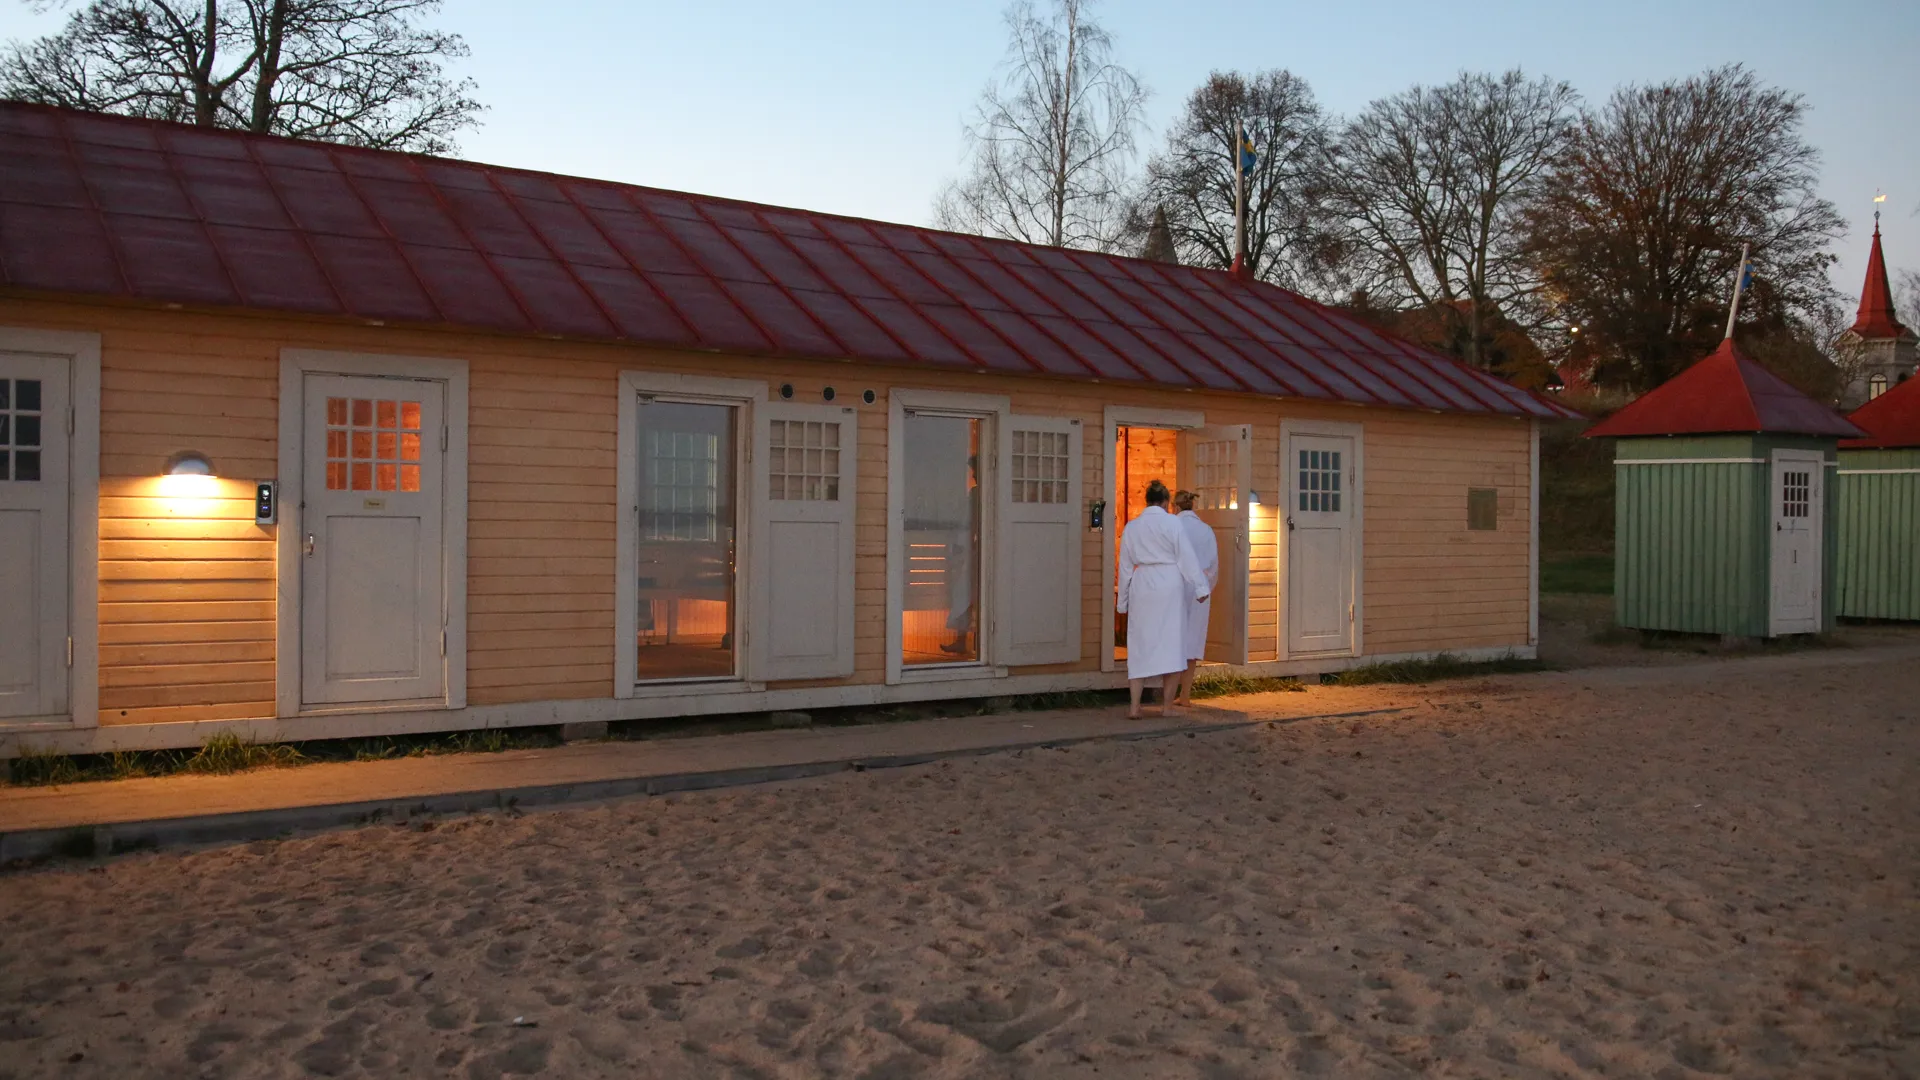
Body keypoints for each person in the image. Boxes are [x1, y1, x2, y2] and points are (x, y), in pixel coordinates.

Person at [1116, 480, 1211, 718]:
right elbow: (1186, 558)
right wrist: (1201, 588)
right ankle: (1167, 706)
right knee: (1173, 643)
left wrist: (1122, 602)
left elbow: (1125, 567)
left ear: (1147, 501)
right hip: (1169, 583)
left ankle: (1135, 706)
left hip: (1143, 582)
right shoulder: (1172, 523)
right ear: (1167, 503)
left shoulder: (1132, 527)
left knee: (1140, 642)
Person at [1170, 489, 1220, 707]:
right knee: (1192, 640)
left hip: (1174, 586)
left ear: (1176, 506)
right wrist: (1205, 588)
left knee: (1171, 640)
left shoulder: (1172, 527)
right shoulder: (1206, 530)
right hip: (1199, 588)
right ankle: (1185, 695)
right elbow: (1213, 566)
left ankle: (1167, 694)